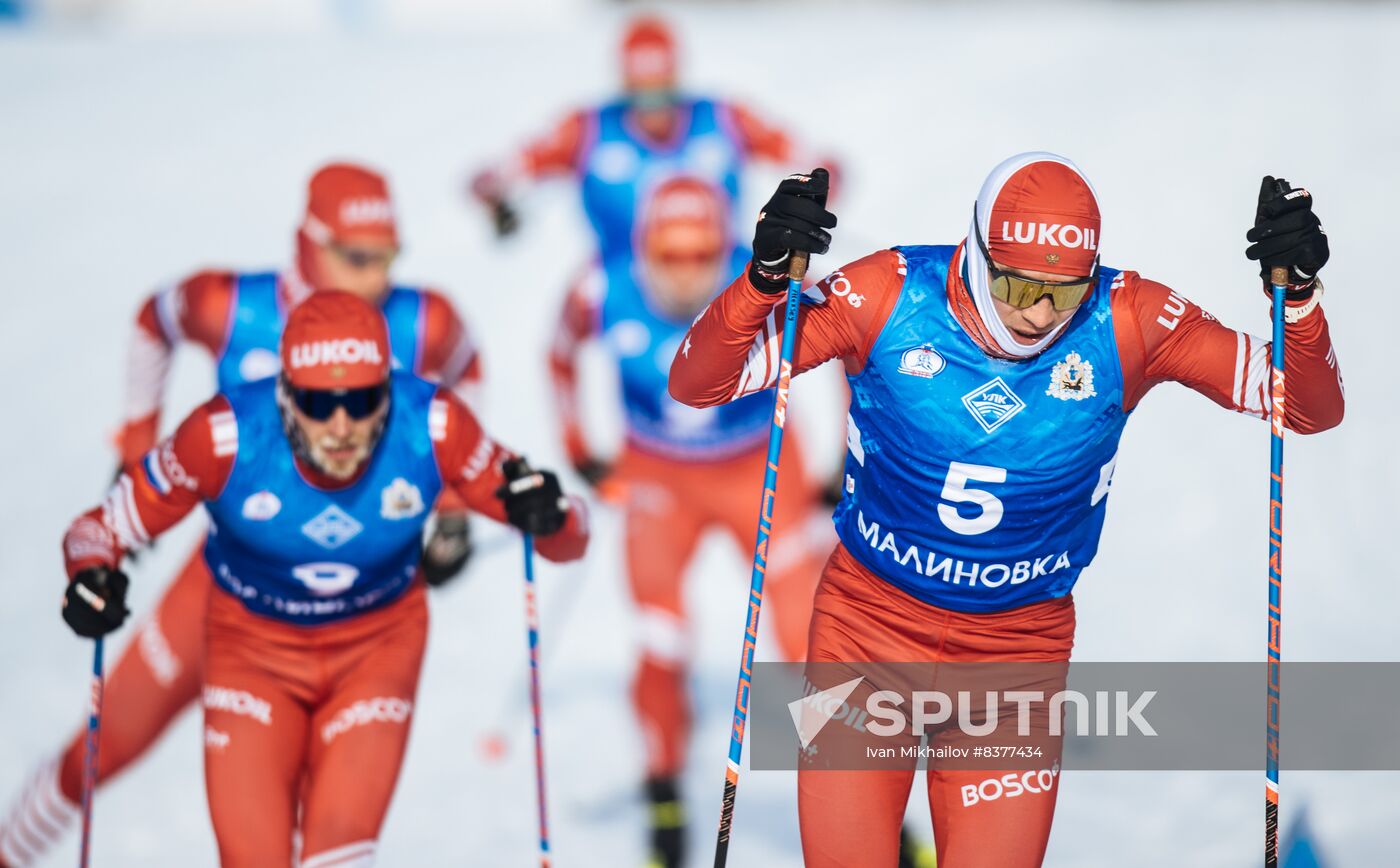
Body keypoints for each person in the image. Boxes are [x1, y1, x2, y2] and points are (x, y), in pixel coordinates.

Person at [668, 157, 1344, 867]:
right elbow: (699, 382)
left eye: (1065, 291)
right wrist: (765, 281)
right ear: (975, 253)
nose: (1040, 314)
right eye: (1017, 285)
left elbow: (1304, 407)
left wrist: (1297, 295)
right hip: (865, 636)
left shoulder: (1130, 318)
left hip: (1016, 658)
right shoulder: (888, 295)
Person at [0, 162, 483, 867]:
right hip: (227, 590)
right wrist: (138, 443)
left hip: (354, 616)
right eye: (357, 256)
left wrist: (452, 510)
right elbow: (153, 319)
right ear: (308, 242)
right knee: (105, 748)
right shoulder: (234, 306)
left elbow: (470, 368)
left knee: (307, 827)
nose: (377, 276)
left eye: (388, 257)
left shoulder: (419, 319)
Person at [54, 291, 588, 867]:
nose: (340, 427)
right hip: (253, 657)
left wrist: (552, 515)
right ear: (286, 393)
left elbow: (569, 535)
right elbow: (100, 528)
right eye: (318, 401)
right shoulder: (224, 435)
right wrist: (91, 578)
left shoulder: (432, 424)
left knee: (340, 853)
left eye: (361, 402)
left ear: (388, 390)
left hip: (376, 653)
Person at [548, 176, 826, 868]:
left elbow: (848, 341)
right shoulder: (599, 289)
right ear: (641, 249)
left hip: (756, 466)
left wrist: (844, 461)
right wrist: (580, 448)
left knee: (812, 638)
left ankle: (860, 793)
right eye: (669, 257)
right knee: (660, 632)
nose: (687, 273)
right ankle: (665, 781)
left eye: (702, 255)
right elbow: (557, 356)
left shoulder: (760, 272)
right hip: (659, 476)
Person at [468, 14, 834, 263]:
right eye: (639, 94)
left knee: (816, 301)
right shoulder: (588, 127)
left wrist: (810, 202)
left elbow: (814, 160)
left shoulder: (722, 117)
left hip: (717, 268)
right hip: (624, 279)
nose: (652, 106)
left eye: (662, 92)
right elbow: (500, 172)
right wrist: (497, 199)